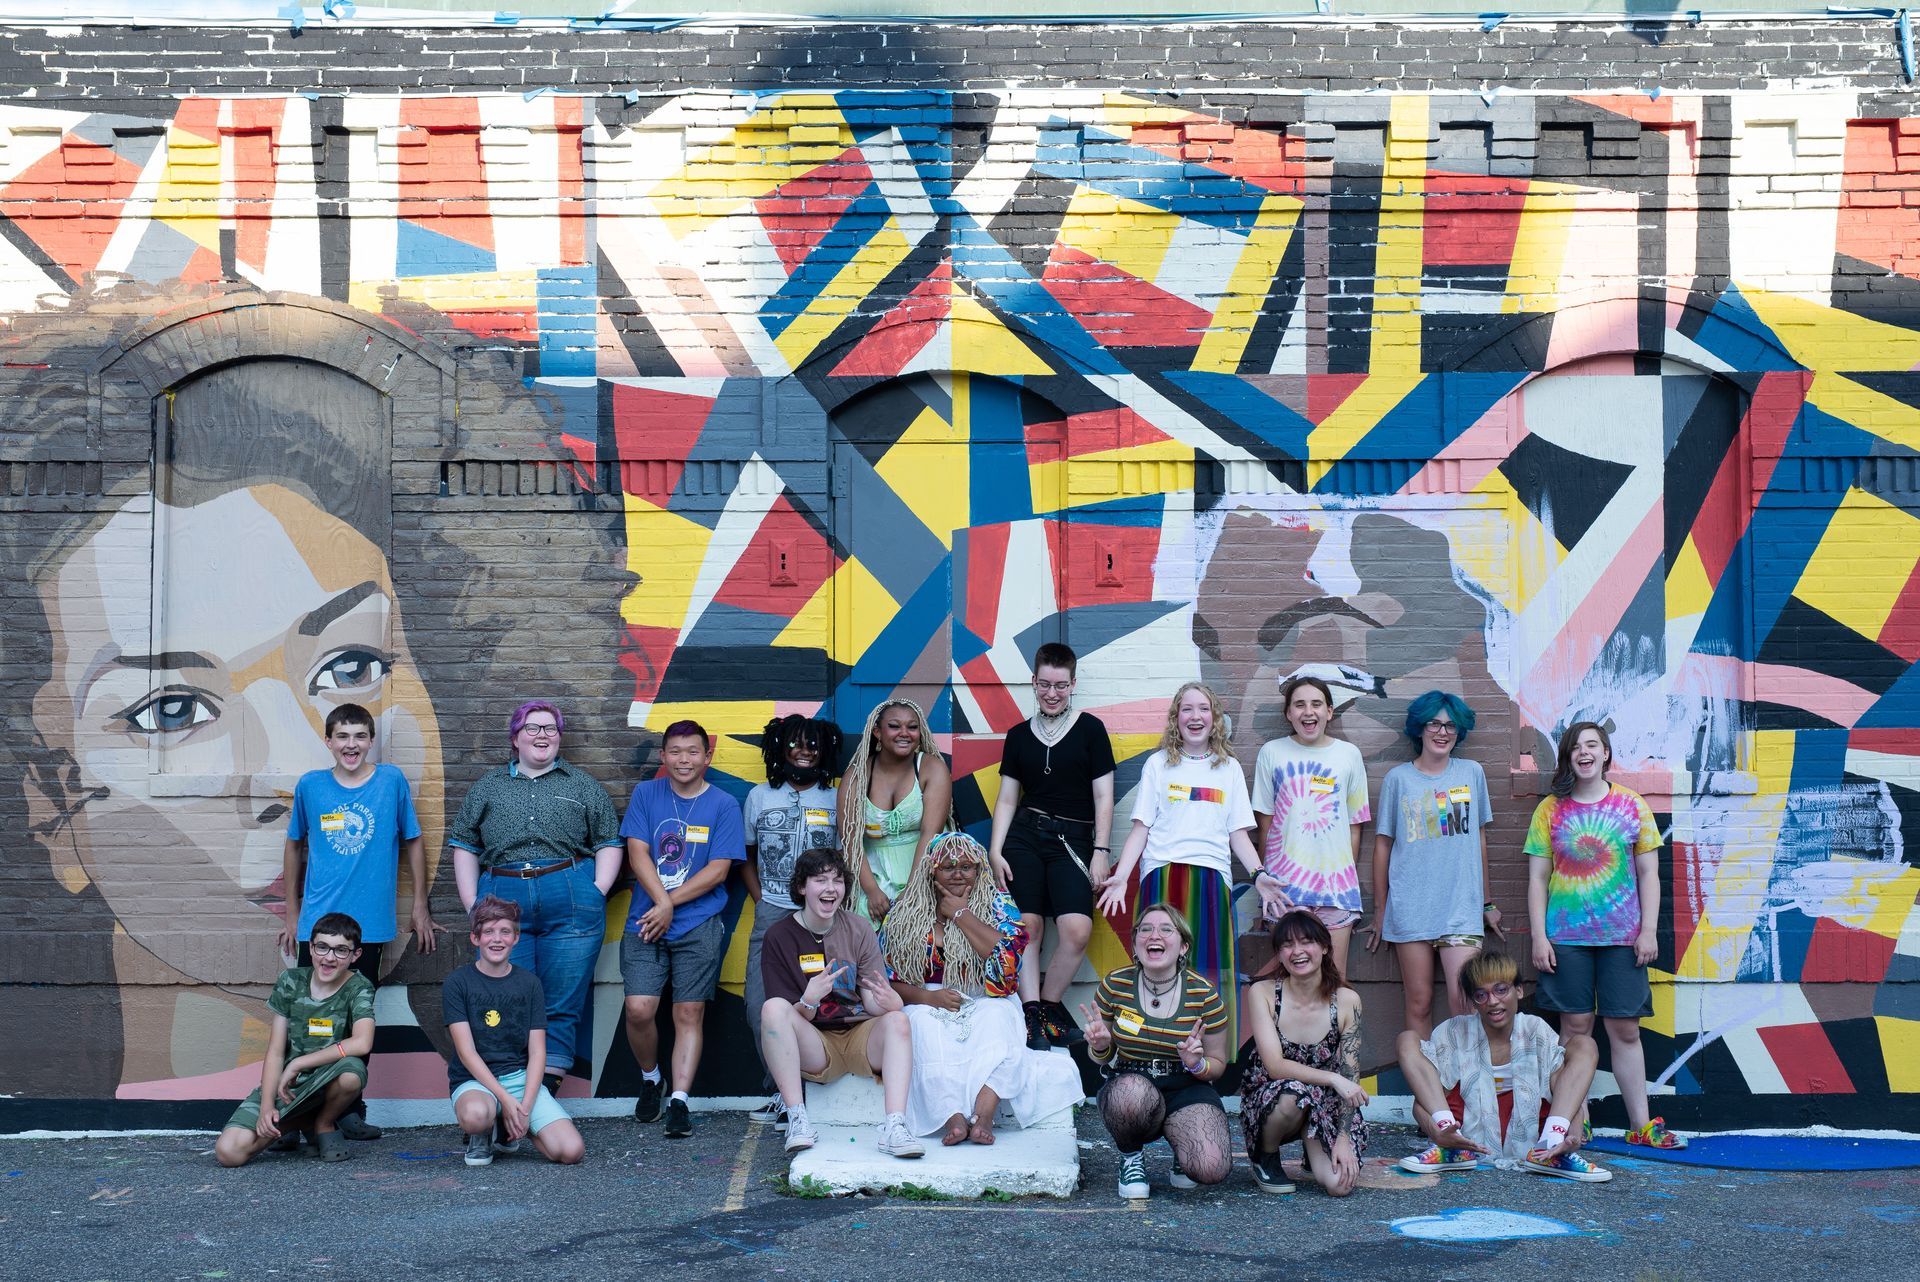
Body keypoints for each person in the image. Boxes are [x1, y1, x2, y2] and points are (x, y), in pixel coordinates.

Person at [279, 702, 442, 1143]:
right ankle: (292, 1111)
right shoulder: (311, 787)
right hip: (316, 924)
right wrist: (293, 913)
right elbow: (295, 846)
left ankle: (348, 1110)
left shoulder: (390, 782)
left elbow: (413, 839)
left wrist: (419, 906)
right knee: (306, 1018)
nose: (351, 745)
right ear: (328, 741)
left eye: (360, 736)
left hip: (368, 926)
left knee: (355, 1020)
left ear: (371, 741)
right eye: (342, 736)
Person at [447, 700, 623, 1095]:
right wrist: (474, 904)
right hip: (503, 898)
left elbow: (609, 840)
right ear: (515, 737)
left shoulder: (583, 786)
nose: (542, 735)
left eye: (550, 729)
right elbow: (464, 844)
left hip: (572, 896)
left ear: (560, 738)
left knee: (562, 999)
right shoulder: (488, 787)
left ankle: (540, 1095)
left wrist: (596, 892)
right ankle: (510, 1088)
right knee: (507, 996)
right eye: (533, 727)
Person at [1098, 682, 1285, 1051]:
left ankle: (1203, 1058)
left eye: (1203, 709)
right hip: (1163, 878)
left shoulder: (1228, 768)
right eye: (1187, 709)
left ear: (1214, 718)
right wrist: (1121, 876)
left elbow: (1238, 835)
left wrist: (1260, 875)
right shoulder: (1158, 765)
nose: (1195, 716)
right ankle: (1150, 1048)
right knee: (1155, 963)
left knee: (1205, 968)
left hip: (1211, 881)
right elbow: (1141, 829)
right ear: (1176, 718)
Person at [1526, 721, 1685, 1150]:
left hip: (1622, 937)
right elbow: (1538, 880)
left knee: (1625, 1029)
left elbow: (1650, 874)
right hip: (1567, 937)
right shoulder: (1550, 810)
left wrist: (1648, 930)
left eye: (1592, 745)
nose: (1584, 753)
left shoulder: (1632, 806)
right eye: (1576, 747)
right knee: (1574, 1031)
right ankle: (1575, 1121)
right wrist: (1540, 937)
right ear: (1567, 757)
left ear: (1606, 754)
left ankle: (1642, 1125)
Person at [879, 832, 1083, 1144]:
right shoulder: (904, 911)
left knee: (1000, 1019)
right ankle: (953, 1117)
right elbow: (888, 977)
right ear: (930, 871)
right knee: (919, 1026)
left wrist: (960, 914)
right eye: (947, 867)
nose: (958, 874)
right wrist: (927, 997)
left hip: (986, 995)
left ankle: (984, 1113)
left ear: (979, 870)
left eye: (966, 866)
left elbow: (1007, 967)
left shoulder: (998, 904)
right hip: (925, 998)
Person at [986, 642, 1115, 1051]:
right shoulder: (1019, 735)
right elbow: (1007, 798)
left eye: (1061, 685)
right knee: (1030, 927)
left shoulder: (1091, 729)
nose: (1053, 693)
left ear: (1073, 683)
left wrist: (1101, 851)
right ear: (1034, 682)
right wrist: (995, 850)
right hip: (1024, 837)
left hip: (1074, 841)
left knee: (1076, 930)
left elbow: (1104, 799)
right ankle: (1031, 1017)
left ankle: (1049, 1005)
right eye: (1045, 684)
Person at [619, 719, 744, 1139]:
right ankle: (652, 1079)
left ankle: (680, 1101)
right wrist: (660, 904)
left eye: (693, 751)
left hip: (698, 923)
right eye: (675, 751)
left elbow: (719, 870)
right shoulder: (646, 794)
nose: (684, 759)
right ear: (663, 756)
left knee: (688, 1011)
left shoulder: (724, 804)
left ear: (708, 756)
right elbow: (637, 854)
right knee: (639, 1009)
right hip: (646, 921)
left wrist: (669, 904)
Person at [759, 849, 925, 1159]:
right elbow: (782, 1020)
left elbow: (872, 1001)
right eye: (820, 880)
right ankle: (797, 1117)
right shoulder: (779, 936)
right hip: (815, 1045)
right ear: (801, 887)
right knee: (771, 1010)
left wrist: (890, 1002)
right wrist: (809, 999)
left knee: (898, 1019)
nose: (831, 888)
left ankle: (895, 1127)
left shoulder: (859, 928)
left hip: (860, 1037)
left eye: (837, 880)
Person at [1395, 948, 1610, 1182]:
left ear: (1518, 990)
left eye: (1500, 990)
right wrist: (1439, 1131)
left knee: (1584, 1045)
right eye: (1481, 995)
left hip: (1533, 1127)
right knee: (1407, 1040)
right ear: (1474, 1003)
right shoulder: (1454, 1031)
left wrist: (1573, 1135)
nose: (1493, 1001)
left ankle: (1550, 1148)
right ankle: (1452, 1148)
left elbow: (1565, 1089)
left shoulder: (1534, 1029)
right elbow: (1422, 1102)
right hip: (1462, 1124)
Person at [1362, 690, 1502, 1039]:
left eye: (1451, 726)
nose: (1443, 732)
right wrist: (1381, 911)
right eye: (1434, 724)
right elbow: (1382, 846)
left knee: (1467, 1004)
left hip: (1460, 906)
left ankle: (1468, 1090)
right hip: (1411, 907)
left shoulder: (1472, 773)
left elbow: (1479, 840)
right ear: (1420, 729)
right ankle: (1427, 1091)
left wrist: (1486, 902)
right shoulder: (1399, 779)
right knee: (1419, 1003)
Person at [1081, 903, 1233, 1200]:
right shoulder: (1115, 985)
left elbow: (1218, 1064)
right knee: (1128, 1094)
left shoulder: (1204, 994)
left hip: (1186, 1085)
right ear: (1136, 944)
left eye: (1166, 929)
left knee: (1211, 1168)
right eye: (1145, 929)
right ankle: (1131, 1158)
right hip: (1132, 1082)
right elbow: (1102, 1054)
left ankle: (1183, 1147)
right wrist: (1100, 1047)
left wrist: (1197, 1064)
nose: (1155, 935)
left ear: (1183, 945)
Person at [743, 714, 844, 1129]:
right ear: (779, 748)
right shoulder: (759, 797)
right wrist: (761, 899)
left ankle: (814, 1093)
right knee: (759, 1004)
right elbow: (746, 855)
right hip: (772, 912)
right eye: (795, 744)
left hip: (824, 917)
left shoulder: (835, 799)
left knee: (825, 1003)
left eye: (813, 745)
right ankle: (781, 1094)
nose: (804, 751)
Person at [213, 913, 375, 1167]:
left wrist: (298, 1063)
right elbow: (276, 1051)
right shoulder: (290, 982)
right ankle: (299, 1121)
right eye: (322, 947)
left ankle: (323, 1122)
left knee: (352, 1073)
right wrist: (267, 1106)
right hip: (288, 1088)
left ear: (355, 955)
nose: (329, 957)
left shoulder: (358, 987)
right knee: (229, 1152)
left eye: (341, 950)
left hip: (326, 1080)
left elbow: (362, 1043)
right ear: (310, 948)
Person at [442, 895, 586, 1167]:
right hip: (476, 1081)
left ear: (516, 938)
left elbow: (537, 1051)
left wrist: (525, 1106)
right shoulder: (457, 983)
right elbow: (467, 1053)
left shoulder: (529, 983)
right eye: (489, 932)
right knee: (475, 1115)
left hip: (518, 1079)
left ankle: (510, 1129)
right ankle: (484, 1131)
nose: (497, 939)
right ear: (475, 938)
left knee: (571, 1151)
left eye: (505, 932)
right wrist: (506, 1101)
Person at [1240, 910, 1370, 1197]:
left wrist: (1343, 1138)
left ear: (1324, 947)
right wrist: (1333, 1079)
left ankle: (1313, 1152)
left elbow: (1350, 1075)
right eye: (1287, 945)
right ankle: (1266, 1157)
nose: (1296, 951)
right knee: (1293, 1093)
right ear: (1280, 953)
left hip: (1325, 1102)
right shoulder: (1263, 993)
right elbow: (1275, 1066)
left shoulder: (1347, 1000)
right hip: (1274, 1096)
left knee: (1339, 1185)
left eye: (1306, 942)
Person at [1252, 674, 1371, 980]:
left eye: (1317, 704)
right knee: (1289, 983)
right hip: (1285, 891)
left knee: (1335, 979)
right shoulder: (1271, 753)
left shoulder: (1348, 755)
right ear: (1288, 713)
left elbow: (1355, 825)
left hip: (1336, 890)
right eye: (1300, 704)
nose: (1309, 712)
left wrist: (1344, 875)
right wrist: (1267, 885)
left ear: (1329, 711)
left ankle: (1337, 1032)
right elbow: (1265, 825)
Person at [838, 699, 953, 923]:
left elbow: (930, 835)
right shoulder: (856, 776)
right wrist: (871, 891)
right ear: (877, 732)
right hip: (869, 877)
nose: (904, 733)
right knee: (866, 940)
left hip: (923, 872)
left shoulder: (932, 768)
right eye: (894, 726)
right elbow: (850, 840)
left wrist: (912, 891)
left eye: (912, 727)